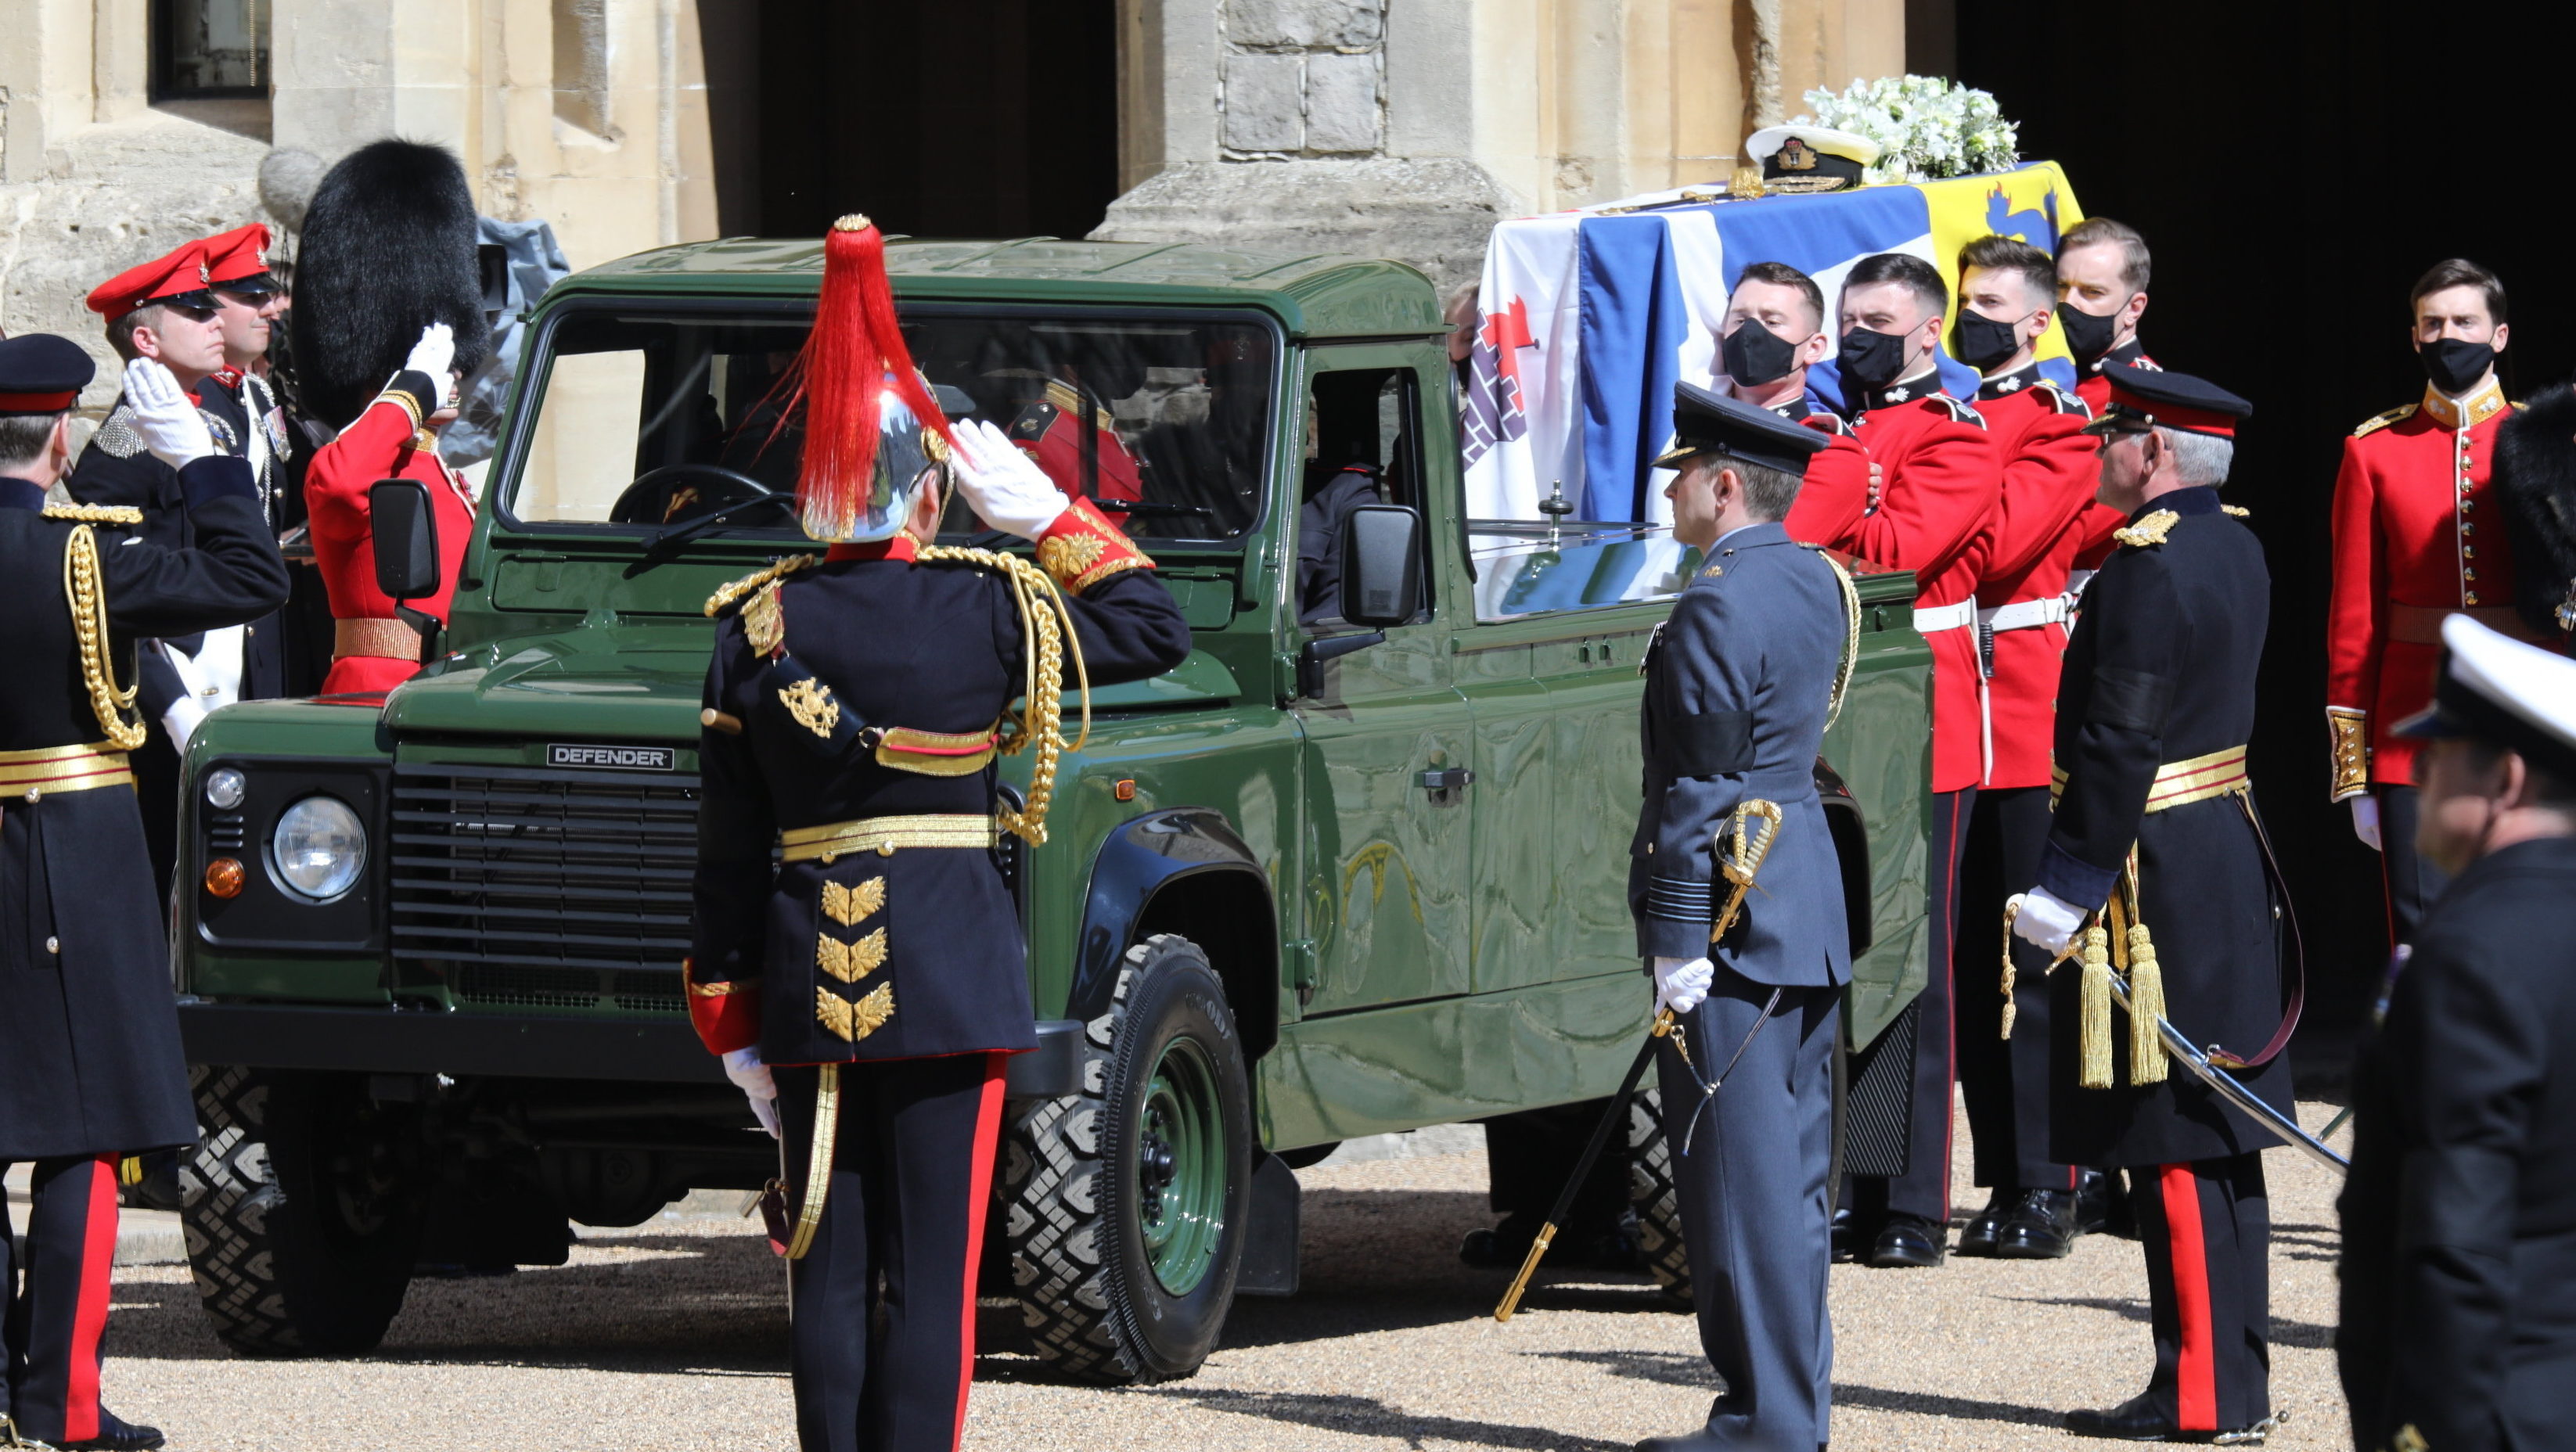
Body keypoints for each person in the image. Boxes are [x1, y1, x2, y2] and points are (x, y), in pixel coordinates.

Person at [687, 215, 1191, 1452]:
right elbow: (1154, 628)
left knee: (829, 1262)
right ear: (932, 483)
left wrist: (733, 1026)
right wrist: (1049, 516)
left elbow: (726, 854)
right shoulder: (989, 603)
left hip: (813, 981)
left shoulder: (752, 628)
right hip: (952, 973)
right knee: (934, 1273)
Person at [0, 336, 290, 1452]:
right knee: (90, 1134)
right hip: (78, 847)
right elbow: (255, 581)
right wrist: (202, 462)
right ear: (61, 437)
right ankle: (57, 1407)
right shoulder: (88, 557)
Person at [2011, 366, 2290, 1443]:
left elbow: (2118, 742)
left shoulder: (2144, 569)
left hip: (2152, 866)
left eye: (2113, 434)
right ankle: (2234, 1384)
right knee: (2221, 1133)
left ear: (2155, 451)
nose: (2101, 452)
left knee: (2174, 1132)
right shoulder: (2238, 544)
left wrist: (2065, 883)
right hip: (2220, 842)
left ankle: (2202, 1395)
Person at [1628, 381, 1854, 1452]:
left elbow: (1699, 788)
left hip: (1733, 916)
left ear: (1724, 486)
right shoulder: (1814, 578)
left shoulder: (1718, 598)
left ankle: (1767, 1420)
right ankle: (1786, 1410)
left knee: (1738, 1184)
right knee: (1787, 1180)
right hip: (1796, 897)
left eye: (1683, 473)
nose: (1670, 489)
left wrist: (1677, 940)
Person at [1787, 250, 2001, 1270]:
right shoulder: (1840, 431)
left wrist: (1837, 500)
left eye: (1881, 320)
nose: (1864, 334)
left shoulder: (1956, 436)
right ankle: (1836, 1176)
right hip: (1826, 710)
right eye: (1852, 319)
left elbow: (1893, 549)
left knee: (1917, 963)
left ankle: (1908, 1197)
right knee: (1834, 953)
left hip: (1923, 716)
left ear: (1927, 333)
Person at [2337, 614, 2576, 1452]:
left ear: (2506, 780)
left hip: (2510, 1404)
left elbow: (2456, 1244)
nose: (2420, 774)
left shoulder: (2469, 957)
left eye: (2439, 758)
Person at [1945, 235, 2107, 1259]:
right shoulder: (1950, 421)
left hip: (2025, 696)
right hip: (1958, 692)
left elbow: (1998, 549)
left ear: (2037, 321)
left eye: (1994, 303)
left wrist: (1908, 518)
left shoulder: (2057, 421)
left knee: (2032, 959)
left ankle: (2049, 1182)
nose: (1977, 317)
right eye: (1967, 299)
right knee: (1967, 964)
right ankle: (2000, 1171)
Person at [2328, 260, 2536, 955]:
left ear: (2499, 335)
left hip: (2531, 724)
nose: (2449, 336)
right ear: (2415, 337)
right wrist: (2355, 771)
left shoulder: (2544, 445)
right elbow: (2353, 618)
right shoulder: (2373, 451)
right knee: (2427, 944)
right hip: (2411, 740)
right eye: (2434, 324)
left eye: (2465, 322)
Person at [64, 239, 244, 910]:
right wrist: (173, 710)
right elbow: (108, 589)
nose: (217, 322)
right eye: (196, 311)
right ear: (145, 338)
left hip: (226, 686)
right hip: (173, 705)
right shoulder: (124, 444)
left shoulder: (210, 423)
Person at [287, 140, 493, 695]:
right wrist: (411, 390)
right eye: (438, 368)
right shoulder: (362, 459)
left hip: (445, 686)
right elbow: (337, 482)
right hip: (375, 691)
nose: (453, 375)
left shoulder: (438, 471)